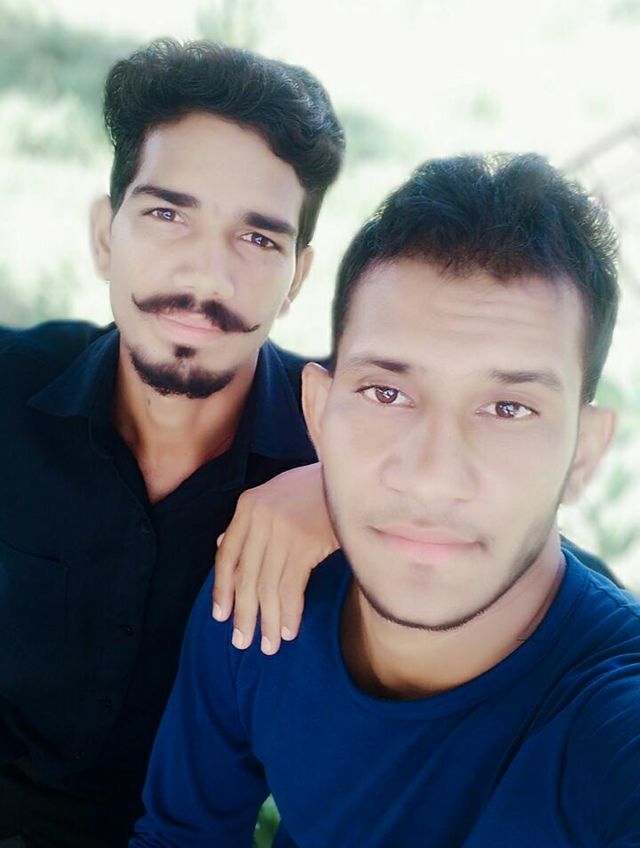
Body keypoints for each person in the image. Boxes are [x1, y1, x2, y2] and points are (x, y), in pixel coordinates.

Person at [131, 153, 640, 847]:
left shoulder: (612, 720)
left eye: (509, 409)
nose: (431, 476)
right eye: (386, 393)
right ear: (318, 413)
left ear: (584, 453)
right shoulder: (265, 589)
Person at [0, 38, 344, 847]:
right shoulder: (11, 387)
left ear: (297, 278)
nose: (206, 277)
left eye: (258, 239)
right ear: (104, 236)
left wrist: (350, 492)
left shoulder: (348, 437)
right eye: (167, 214)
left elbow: (534, 571)